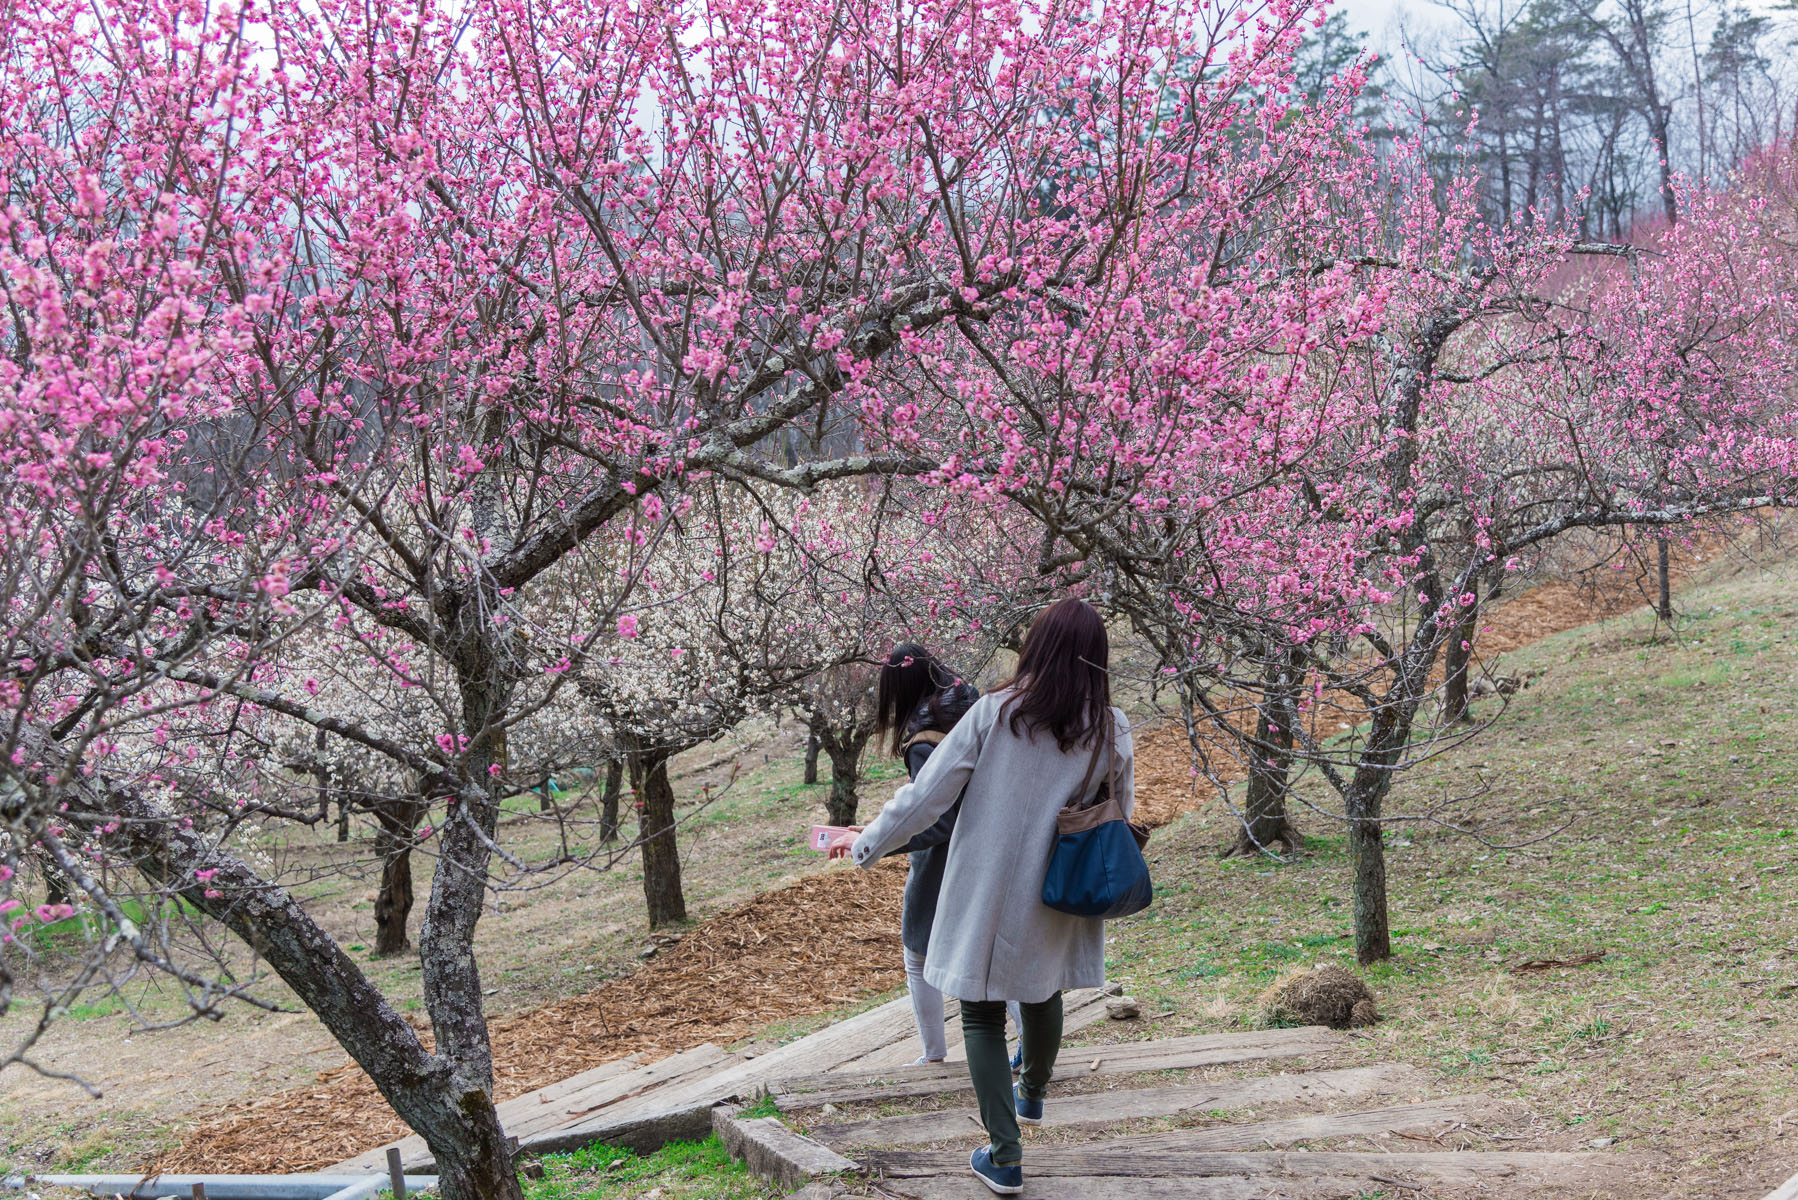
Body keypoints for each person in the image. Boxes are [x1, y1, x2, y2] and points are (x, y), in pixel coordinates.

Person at [841, 599, 1134, 1196]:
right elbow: (1120, 815)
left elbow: (925, 798)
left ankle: (1005, 1156)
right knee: (1042, 986)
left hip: (987, 883)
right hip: (1059, 883)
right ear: (1097, 660)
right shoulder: (1111, 726)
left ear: (1035, 647)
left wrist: (865, 845)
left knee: (979, 1010)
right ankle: (1032, 1096)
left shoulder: (995, 714)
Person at [826, 644, 1019, 1064]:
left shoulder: (923, 737)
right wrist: (875, 830)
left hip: (946, 858)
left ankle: (934, 1054)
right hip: (998, 841)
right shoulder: (971, 702)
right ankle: (1029, 1050)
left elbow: (934, 819)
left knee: (917, 949)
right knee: (998, 951)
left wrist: (879, 842)